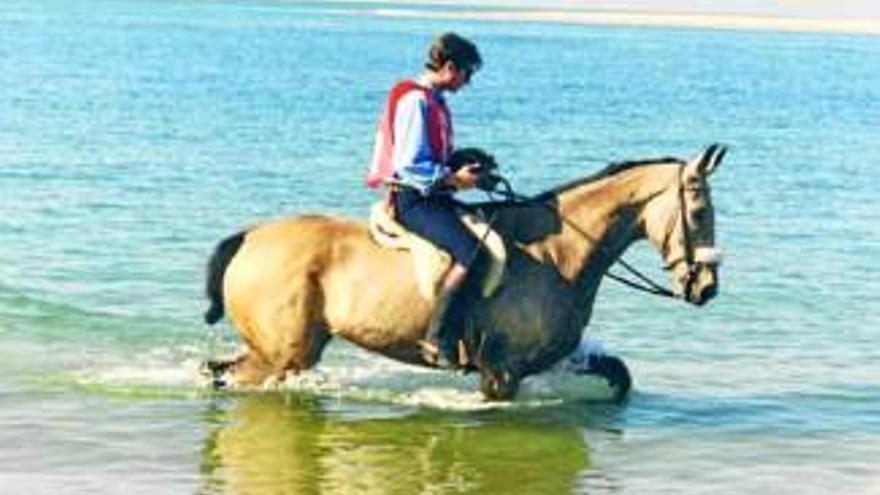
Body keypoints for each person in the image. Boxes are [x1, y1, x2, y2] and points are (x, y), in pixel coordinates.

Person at [366, 32, 489, 368]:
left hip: (432, 197)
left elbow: (435, 155)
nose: (467, 83)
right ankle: (439, 336)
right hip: (413, 201)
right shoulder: (416, 102)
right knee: (472, 253)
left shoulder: (434, 100)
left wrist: (466, 162)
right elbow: (410, 165)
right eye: (467, 74)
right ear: (450, 67)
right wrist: (454, 179)